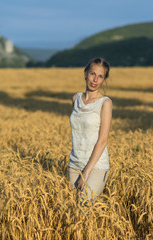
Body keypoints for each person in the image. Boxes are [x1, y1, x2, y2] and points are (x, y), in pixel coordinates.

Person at [68, 57, 112, 202]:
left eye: (100, 76)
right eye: (93, 74)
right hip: (74, 163)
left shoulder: (105, 103)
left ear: (104, 80)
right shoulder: (76, 99)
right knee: (72, 211)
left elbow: (103, 140)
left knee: (83, 206)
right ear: (85, 73)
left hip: (96, 166)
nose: (95, 79)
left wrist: (87, 171)